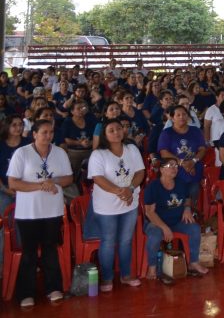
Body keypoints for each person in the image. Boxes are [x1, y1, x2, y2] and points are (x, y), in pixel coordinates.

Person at [6, 119, 74, 307]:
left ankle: (53, 288)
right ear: (34, 134)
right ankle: (26, 293)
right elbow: (13, 183)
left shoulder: (59, 152)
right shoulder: (22, 153)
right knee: (29, 254)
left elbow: (69, 178)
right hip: (28, 213)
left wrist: (55, 181)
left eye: (51, 132)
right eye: (44, 132)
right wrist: (40, 185)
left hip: (52, 210)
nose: (48, 136)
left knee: (50, 250)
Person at [87, 119, 146, 291]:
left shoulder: (132, 149)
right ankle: (107, 278)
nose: (116, 132)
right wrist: (121, 192)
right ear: (105, 135)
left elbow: (140, 172)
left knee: (126, 240)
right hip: (106, 206)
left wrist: (130, 189)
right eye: (111, 130)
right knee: (108, 241)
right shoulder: (98, 154)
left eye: (119, 128)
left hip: (130, 203)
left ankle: (126, 275)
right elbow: (98, 178)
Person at [143, 157, 209, 279]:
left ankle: (194, 262)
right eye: (170, 166)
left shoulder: (180, 183)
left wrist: (187, 209)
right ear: (162, 169)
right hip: (156, 222)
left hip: (176, 221)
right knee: (155, 235)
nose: (174, 168)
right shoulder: (153, 186)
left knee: (194, 228)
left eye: (176, 166)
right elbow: (149, 212)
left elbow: (188, 197)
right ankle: (152, 267)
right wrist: (164, 227)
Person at [157, 105, 207, 207]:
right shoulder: (167, 133)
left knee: (193, 190)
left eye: (184, 114)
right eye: (178, 115)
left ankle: (190, 213)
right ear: (171, 118)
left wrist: (193, 161)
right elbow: (164, 152)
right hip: (174, 171)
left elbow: (202, 149)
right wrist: (182, 163)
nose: (182, 117)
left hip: (194, 167)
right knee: (177, 195)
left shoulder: (195, 131)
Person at [0, 115, 28, 215]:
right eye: (14, 125)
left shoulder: (28, 144)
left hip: (26, 185)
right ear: (7, 126)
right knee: (6, 212)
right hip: (4, 186)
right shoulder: (1, 145)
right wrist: (5, 189)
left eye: (21, 124)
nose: (18, 128)